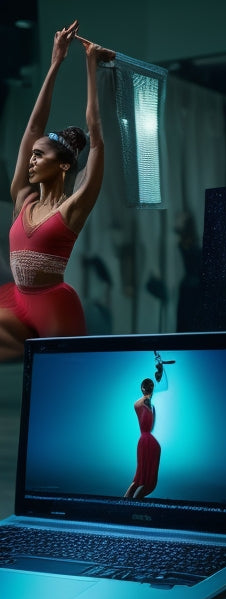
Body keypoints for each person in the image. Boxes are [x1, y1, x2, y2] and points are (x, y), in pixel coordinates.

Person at [0, 21, 114, 361]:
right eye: (31, 154)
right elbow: (34, 126)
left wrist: (90, 65)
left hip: (54, 305)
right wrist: (56, 62)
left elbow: (96, 141)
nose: (31, 161)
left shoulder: (73, 208)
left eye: (39, 155)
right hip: (18, 301)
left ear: (63, 165)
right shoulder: (23, 197)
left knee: (67, 379)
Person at [125, 378, 161, 499]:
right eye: (150, 386)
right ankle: (134, 504)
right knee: (144, 480)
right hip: (148, 442)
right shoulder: (147, 401)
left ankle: (124, 502)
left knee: (139, 477)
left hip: (143, 441)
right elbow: (150, 425)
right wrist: (159, 370)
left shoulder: (137, 403)